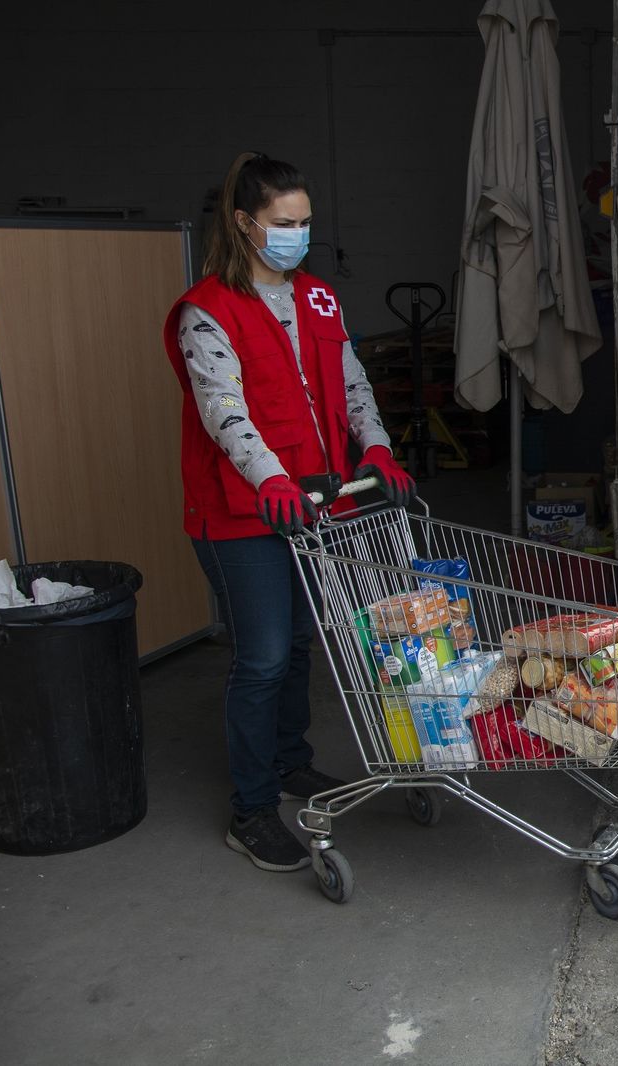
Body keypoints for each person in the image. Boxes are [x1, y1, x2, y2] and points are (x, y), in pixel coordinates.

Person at [163, 152, 416, 874]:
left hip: (315, 507)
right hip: (241, 514)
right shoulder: (206, 311)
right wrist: (271, 479)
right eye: (282, 224)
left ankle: (288, 760)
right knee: (264, 657)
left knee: (301, 642)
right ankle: (251, 808)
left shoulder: (320, 299)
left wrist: (377, 449)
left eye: (304, 224)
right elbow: (225, 413)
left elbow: (351, 379)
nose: (296, 236)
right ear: (245, 223)